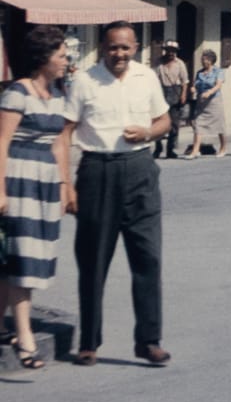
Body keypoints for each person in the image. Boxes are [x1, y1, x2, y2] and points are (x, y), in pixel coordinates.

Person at [56, 21, 172, 366]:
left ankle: (149, 341)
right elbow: (65, 133)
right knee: (93, 261)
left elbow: (165, 120)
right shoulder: (85, 81)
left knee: (148, 258)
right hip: (97, 172)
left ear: (135, 47)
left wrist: (149, 132)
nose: (119, 54)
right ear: (102, 48)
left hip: (140, 172)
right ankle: (89, 342)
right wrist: (66, 184)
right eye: (112, 47)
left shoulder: (146, 77)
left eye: (125, 47)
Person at [0, 24, 74, 369]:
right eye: (61, 55)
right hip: (19, 179)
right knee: (22, 260)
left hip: (44, 182)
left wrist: (62, 185)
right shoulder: (18, 92)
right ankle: (25, 336)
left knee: (21, 259)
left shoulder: (58, 95)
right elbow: (1, 142)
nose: (66, 60)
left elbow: (59, 143)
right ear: (43, 57)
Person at [184, 49, 226, 159]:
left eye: (205, 59)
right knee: (198, 125)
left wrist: (210, 92)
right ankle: (195, 151)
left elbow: (218, 85)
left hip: (214, 102)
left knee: (220, 126)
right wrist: (193, 89)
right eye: (202, 59)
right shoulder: (199, 73)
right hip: (201, 103)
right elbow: (195, 85)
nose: (203, 61)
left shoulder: (218, 71)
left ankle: (223, 148)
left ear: (211, 60)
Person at [153, 40, 190, 161]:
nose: (171, 53)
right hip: (161, 92)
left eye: (173, 51)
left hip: (175, 92)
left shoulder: (180, 64)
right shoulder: (159, 63)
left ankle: (170, 149)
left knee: (174, 124)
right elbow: (154, 79)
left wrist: (183, 94)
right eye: (169, 50)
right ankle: (158, 148)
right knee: (158, 121)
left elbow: (185, 81)